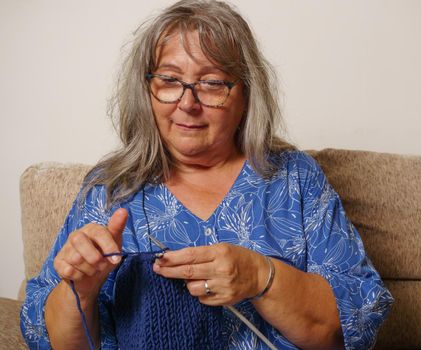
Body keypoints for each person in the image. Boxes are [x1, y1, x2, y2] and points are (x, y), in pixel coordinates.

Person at [20, 0, 394, 349]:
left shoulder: (294, 179)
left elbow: (357, 319)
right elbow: (47, 336)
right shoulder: (110, 189)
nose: (187, 103)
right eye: (168, 80)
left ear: (247, 93)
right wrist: (79, 292)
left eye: (212, 83)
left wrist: (260, 277)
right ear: (146, 90)